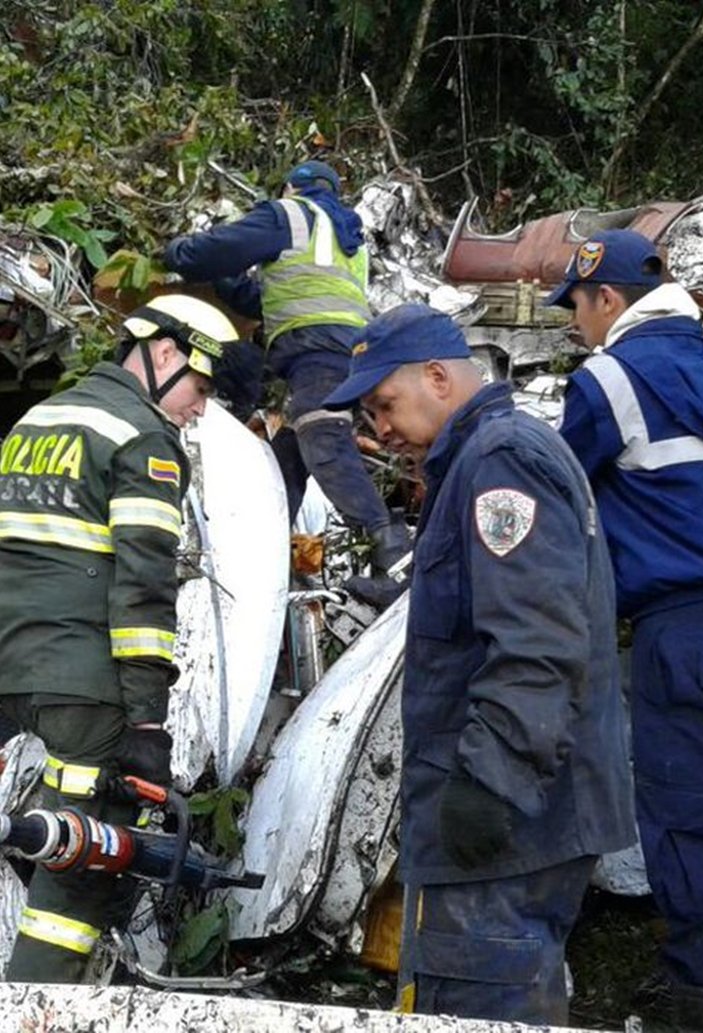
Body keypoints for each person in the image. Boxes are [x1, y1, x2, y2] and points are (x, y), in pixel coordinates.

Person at [321, 303, 636, 1025]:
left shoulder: (500, 459)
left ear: (437, 376)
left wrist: (488, 783)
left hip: (510, 818)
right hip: (521, 808)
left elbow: (536, 639)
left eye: (384, 404)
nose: (379, 430)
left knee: (476, 1004)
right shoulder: (484, 455)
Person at [547, 229, 703, 1031]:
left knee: (684, 828)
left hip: (680, 634)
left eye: (577, 306)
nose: (575, 324)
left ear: (607, 298)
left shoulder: (608, 377)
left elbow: (551, 485)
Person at [0, 294, 237, 982]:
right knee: (81, 865)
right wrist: (146, 722)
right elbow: (142, 592)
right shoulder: (143, 439)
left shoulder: (34, 422)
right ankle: (34, 1004)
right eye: (200, 386)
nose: (198, 409)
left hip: (7, 667)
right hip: (83, 687)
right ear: (165, 355)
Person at [163, 159, 409, 605]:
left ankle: (398, 560)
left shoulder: (291, 215)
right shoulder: (348, 237)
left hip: (317, 353)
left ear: (293, 188)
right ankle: (264, 558)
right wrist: (227, 283)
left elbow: (210, 251)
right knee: (285, 463)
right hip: (341, 354)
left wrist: (178, 250)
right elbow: (273, 298)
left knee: (323, 444)